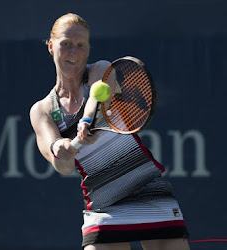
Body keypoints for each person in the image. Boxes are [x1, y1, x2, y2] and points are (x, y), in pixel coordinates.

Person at [29, 13, 190, 250]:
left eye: (80, 45)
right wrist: (61, 150)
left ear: (88, 49)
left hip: (147, 188)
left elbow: (96, 94)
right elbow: (63, 167)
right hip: (104, 202)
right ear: (51, 46)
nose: (73, 52)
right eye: (66, 44)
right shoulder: (42, 110)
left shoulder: (102, 68)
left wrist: (85, 121)